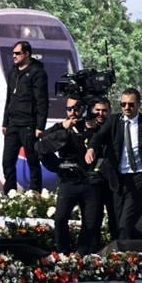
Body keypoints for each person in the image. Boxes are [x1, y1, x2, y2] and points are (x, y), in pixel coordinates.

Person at [88, 87, 142, 242]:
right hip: (119, 179)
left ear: (139, 105)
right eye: (123, 104)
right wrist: (91, 148)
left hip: (140, 178)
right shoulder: (114, 121)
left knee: (125, 224)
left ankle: (127, 253)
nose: (126, 108)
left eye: (131, 104)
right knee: (118, 225)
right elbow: (98, 137)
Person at [37, 95, 109, 253]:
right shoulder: (63, 127)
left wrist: (91, 129)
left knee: (91, 223)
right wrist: (59, 166)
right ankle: (63, 252)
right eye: (68, 109)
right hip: (69, 180)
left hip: (91, 182)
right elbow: (41, 145)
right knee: (60, 219)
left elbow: (106, 149)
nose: (72, 112)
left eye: (76, 108)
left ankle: (85, 254)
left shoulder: (97, 126)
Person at [0, 40, 48, 193]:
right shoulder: (13, 73)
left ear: (27, 54)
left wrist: (40, 126)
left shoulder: (37, 73)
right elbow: (9, 98)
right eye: (13, 53)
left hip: (29, 124)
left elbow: (42, 101)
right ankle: (10, 193)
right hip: (13, 124)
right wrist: (5, 122)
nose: (14, 56)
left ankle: (35, 193)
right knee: (7, 161)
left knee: (32, 161)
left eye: (17, 53)